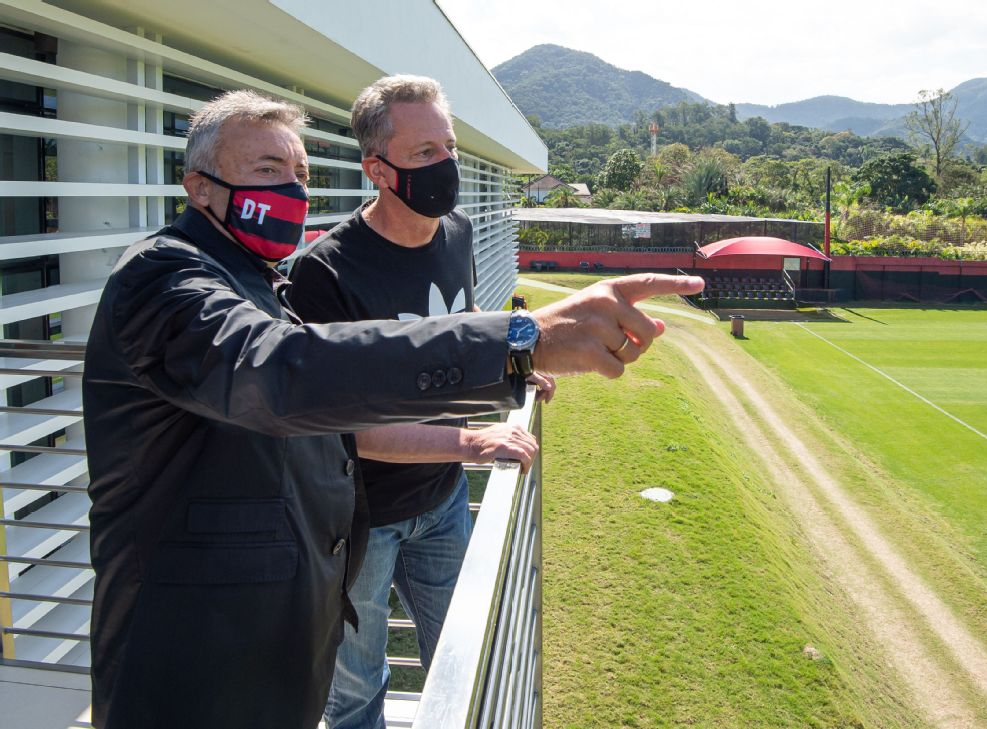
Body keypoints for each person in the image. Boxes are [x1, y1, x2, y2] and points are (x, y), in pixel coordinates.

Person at [83, 89, 702, 729]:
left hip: (270, 655)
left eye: (300, 173)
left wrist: (510, 372)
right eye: (268, 170)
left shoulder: (258, 279)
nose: (292, 190)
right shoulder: (164, 281)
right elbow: (282, 372)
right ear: (199, 188)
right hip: (191, 672)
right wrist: (515, 342)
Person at [287, 75, 553, 728]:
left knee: (463, 659)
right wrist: (472, 440)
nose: (448, 165)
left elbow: (459, 328)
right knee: (356, 694)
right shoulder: (323, 273)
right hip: (358, 524)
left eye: (450, 145)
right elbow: (352, 428)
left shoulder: (455, 232)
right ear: (377, 168)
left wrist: (515, 369)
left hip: (441, 502)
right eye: (426, 153)